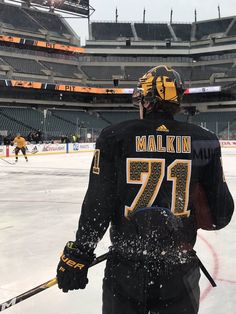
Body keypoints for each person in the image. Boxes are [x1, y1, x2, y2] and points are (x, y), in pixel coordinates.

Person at [56, 65, 234, 314]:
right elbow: (221, 216)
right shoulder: (204, 140)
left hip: (126, 271)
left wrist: (80, 252)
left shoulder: (114, 136)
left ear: (147, 101)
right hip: (179, 271)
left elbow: (99, 203)